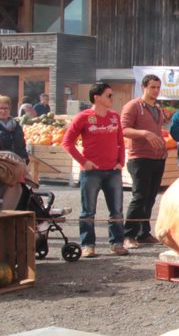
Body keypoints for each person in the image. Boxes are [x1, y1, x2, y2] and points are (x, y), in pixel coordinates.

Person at [65, 82, 127, 256]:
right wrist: (83, 161)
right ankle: (88, 245)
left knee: (116, 210)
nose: (112, 98)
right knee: (88, 211)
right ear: (97, 97)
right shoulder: (83, 117)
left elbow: (121, 142)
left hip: (113, 170)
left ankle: (117, 243)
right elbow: (67, 142)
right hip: (91, 172)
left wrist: (121, 162)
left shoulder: (114, 116)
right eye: (109, 95)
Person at [121, 75, 170, 249]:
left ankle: (143, 233)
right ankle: (128, 235)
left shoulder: (157, 108)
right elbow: (123, 129)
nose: (156, 91)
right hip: (140, 158)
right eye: (152, 87)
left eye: (158, 87)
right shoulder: (133, 106)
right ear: (143, 87)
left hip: (157, 157)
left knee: (150, 198)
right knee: (140, 197)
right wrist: (144, 133)